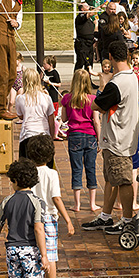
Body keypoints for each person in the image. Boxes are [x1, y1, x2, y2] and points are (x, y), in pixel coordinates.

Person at [81, 40, 139, 235]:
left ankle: (127, 220)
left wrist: (101, 91)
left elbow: (97, 105)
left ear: (111, 58)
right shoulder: (131, 76)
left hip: (118, 139)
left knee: (122, 180)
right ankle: (105, 216)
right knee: (111, 178)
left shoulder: (117, 83)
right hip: (120, 136)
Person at [0, 159, 49, 278]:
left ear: (15, 181)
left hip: (12, 250)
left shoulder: (7, 201)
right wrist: (44, 255)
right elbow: (39, 229)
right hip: (31, 250)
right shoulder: (38, 202)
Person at [26, 135, 75, 278]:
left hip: (30, 218)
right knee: (50, 256)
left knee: (34, 253)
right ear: (50, 155)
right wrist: (68, 220)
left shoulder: (29, 173)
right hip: (47, 218)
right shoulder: (51, 174)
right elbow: (56, 198)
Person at [61, 69, 101, 212]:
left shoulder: (67, 98)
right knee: (91, 168)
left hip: (74, 135)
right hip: (90, 135)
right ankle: (92, 203)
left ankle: (77, 204)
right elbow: (96, 121)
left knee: (76, 169)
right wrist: (99, 138)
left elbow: (64, 119)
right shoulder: (92, 99)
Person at [15, 68, 55, 160]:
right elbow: (51, 120)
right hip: (44, 134)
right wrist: (52, 137)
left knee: (27, 167)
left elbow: (20, 116)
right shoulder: (46, 98)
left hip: (28, 134)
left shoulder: (20, 98)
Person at [74, 2, 98, 72]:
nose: (89, 7)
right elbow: (90, 14)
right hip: (82, 44)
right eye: (86, 6)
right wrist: (99, 7)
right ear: (82, 9)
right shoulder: (80, 17)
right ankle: (77, 80)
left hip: (89, 44)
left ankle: (88, 81)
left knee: (89, 63)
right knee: (80, 62)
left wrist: (96, 25)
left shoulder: (89, 19)